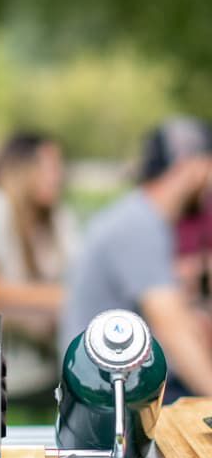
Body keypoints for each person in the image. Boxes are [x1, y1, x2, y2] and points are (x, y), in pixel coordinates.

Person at [61, 117, 212, 399]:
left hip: (114, 380)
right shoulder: (139, 224)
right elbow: (172, 328)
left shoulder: (143, 216)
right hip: (105, 393)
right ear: (192, 166)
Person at [0, 133, 79, 400]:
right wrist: (66, 299)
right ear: (20, 168)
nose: (57, 176)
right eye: (47, 166)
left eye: (58, 167)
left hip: (48, 370)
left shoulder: (59, 219)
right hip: (4, 375)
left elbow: (81, 273)